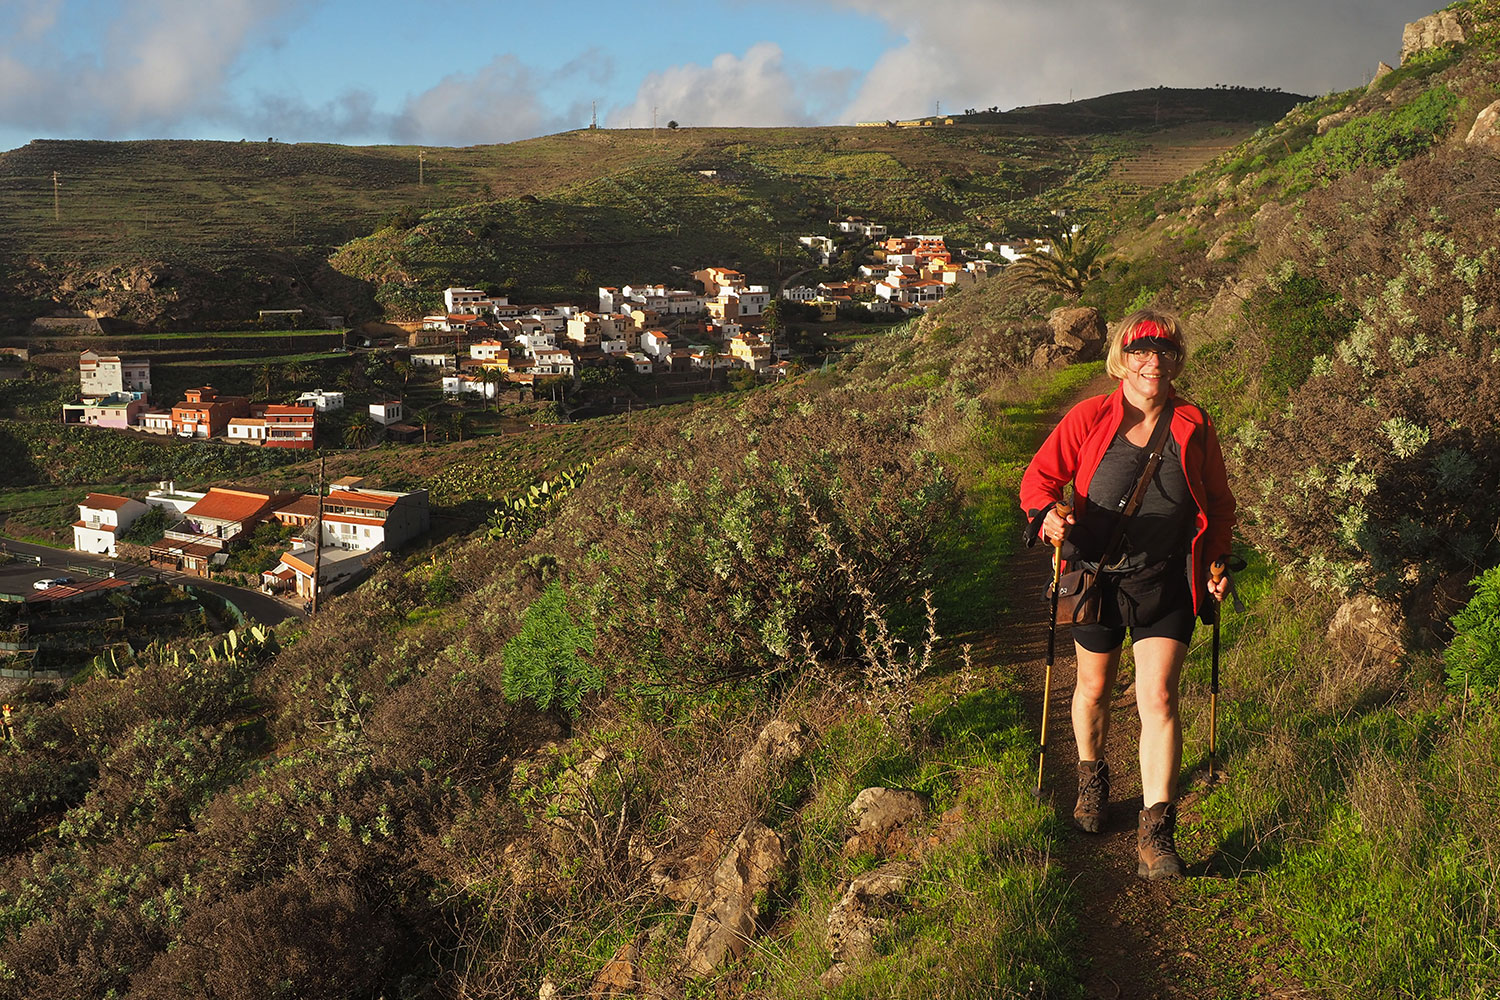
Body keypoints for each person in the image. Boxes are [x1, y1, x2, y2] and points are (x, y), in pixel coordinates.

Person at [1020, 309, 1235, 880]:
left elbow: (1218, 504)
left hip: (1166, 578)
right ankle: (1092, 778)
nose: (1152, 361)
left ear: (1176, 360)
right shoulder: (1090, 417)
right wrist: (1047, 516)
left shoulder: (1194, 424)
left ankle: (1156, 834)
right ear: (1122, 358)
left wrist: (1216, 561)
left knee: (1159, 697)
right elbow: (1038, 482)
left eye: (1164, 351)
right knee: (1093, 687)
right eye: (1141, 350)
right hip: (1096, 576)